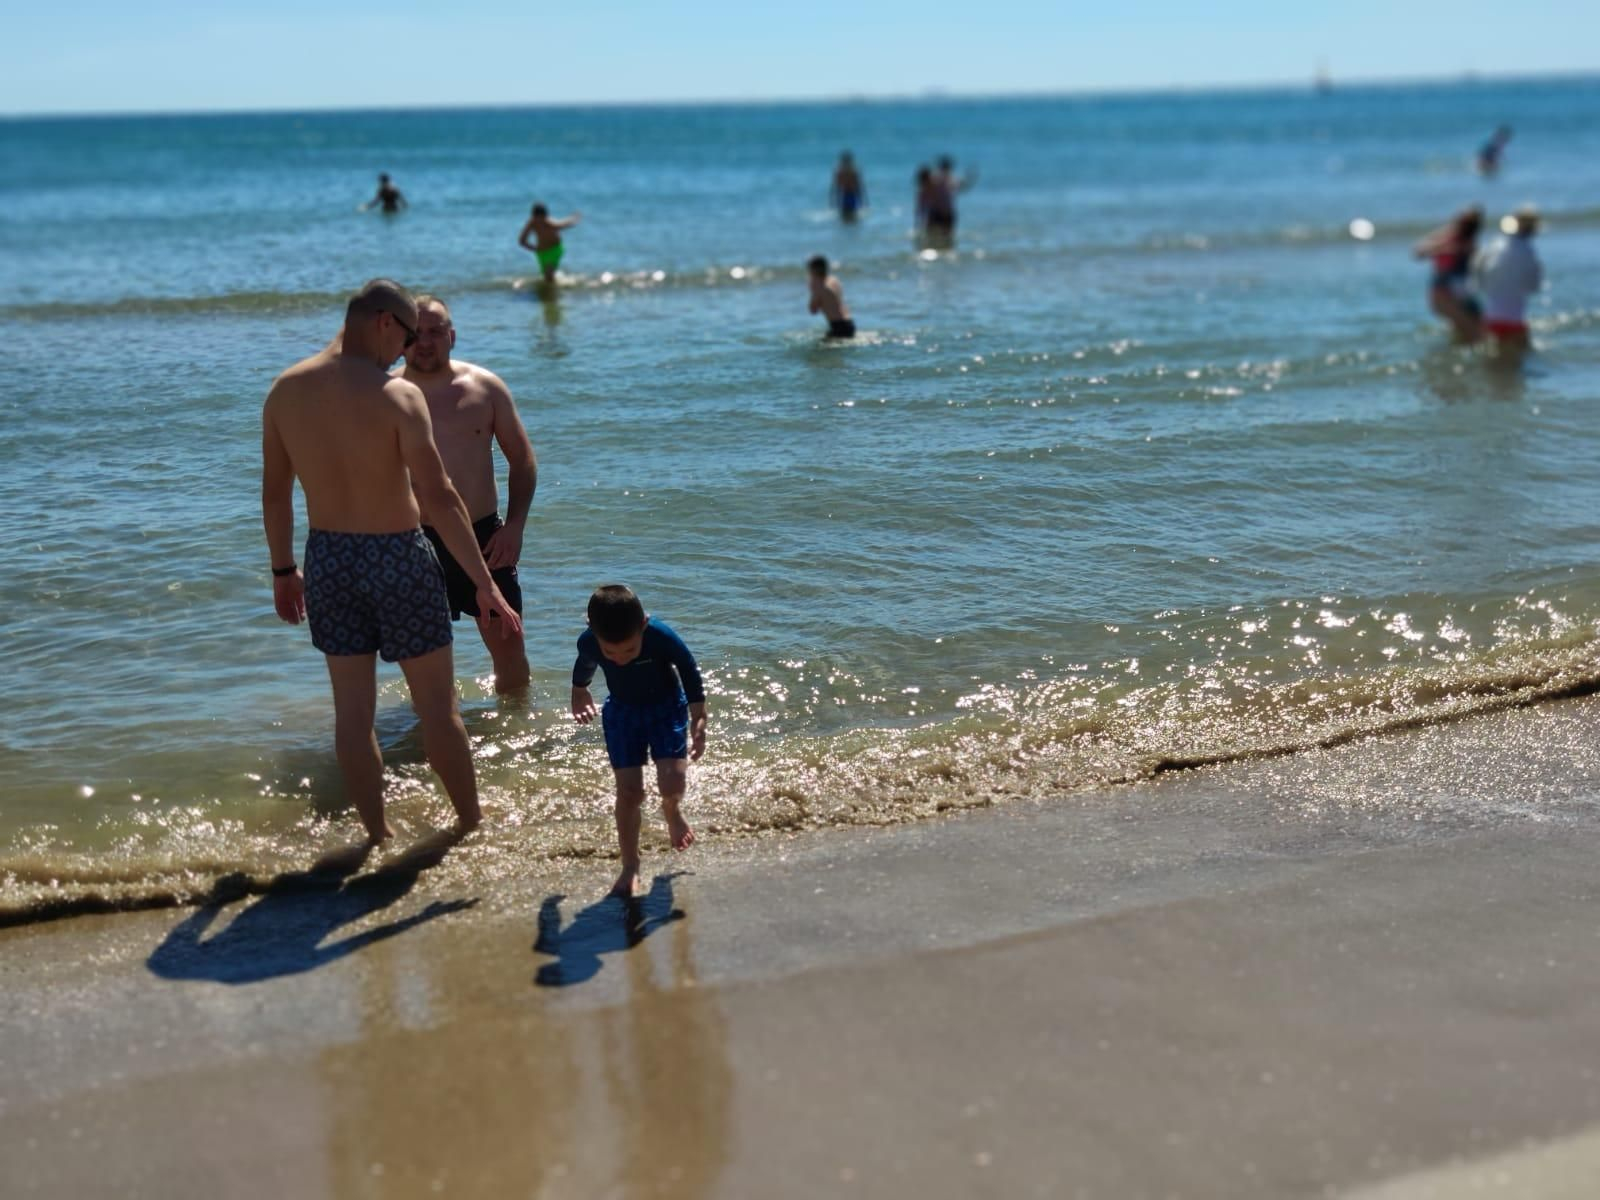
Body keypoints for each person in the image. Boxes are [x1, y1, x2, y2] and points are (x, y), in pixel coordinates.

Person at [262, 279, 522, 845]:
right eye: (405, 338)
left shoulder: (285, 390)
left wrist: (283, 571)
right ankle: (470, 824)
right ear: (385, 323)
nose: (405, 352)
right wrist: (486, 584)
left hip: (327, 558)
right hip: (399, 554)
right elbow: (441, 498)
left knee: (352, 717)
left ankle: (377, 836)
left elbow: (276, 492)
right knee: (438, 709)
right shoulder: (398, 396)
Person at [401, 295, 537, 695]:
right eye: (415, 333)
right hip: (412, 541)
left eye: (435, 332)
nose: (425, 341)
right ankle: (435, 735)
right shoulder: (386, 394)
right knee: (422, 657)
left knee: (509, 647)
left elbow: (523, 460)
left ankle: (515, 732)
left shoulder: (485, 388)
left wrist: (514, 527)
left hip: (485, 537)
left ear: (452, 335)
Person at [570, 585, 707, 897]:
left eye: (630, 651)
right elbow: (586, 663)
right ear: (592, 631)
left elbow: (688, 668)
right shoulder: (589, 642)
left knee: (672, 783)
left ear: (643, 625)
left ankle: (671, 812)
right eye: (611, 652)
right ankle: (630, 865)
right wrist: (579, 690)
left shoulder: (660, 635)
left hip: (666, 708)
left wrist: (700, 717)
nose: (619, 659)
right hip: (622, 713)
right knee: (629, 792)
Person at [1474, 205, 1543, 354]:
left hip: (1490, 317)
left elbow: (1478, 268)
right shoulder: (1528, 251)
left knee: (1494, 362)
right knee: (1523, 358)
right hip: (1514, 319)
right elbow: (1534, 286)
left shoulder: (1494, 244)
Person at [1413, 206, 1483, 342]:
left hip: (1460, 293)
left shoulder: (1468, 242)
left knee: (1473, 327)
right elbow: (1418, 252)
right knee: (1473, 331)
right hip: (1445, 295)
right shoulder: (1450, 239)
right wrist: (1445, 246)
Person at [518, 203, 581, 282]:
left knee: (549, 275)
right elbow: (521, 240)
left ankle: (553, 291)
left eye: (543, 218)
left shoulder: (548, 221)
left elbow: (561, 225)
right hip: (541, 253)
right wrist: (534, 248)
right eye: (538, 218)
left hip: (555, 249)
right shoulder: (531, 223)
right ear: (534, 216)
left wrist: (573, 219)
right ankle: (553, 286)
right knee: (547, 278)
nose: (541, 221)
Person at [924, 154, 976, 242]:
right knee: (944, 237)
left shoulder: (940, 179)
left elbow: (962, 186)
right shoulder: (941, 179)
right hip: (941, 212)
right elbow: (963, 186)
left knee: (934, 237)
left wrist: (970, 179)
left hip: (940, 212)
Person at [807, 255, 855, 339]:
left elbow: (813, 310)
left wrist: (812, 289)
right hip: (849, 322)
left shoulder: (820, 287)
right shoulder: (834, 280)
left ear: (814, 271)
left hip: (838, 326)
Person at [831, 151, 866, 222]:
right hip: (846, 194)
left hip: (850, 194)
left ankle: (848, 230)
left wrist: (861, 199)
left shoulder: (852, 171)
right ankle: (849, 231)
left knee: (849, 214)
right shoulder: (846, 171)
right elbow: (836, 186)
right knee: (848, 214)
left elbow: (859, 186)